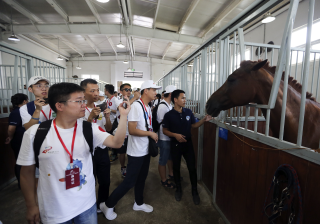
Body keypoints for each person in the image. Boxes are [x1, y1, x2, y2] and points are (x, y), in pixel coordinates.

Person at [17, 82, 130, 224]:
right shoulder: (35, 134)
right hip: (54, 210)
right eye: (78, 101)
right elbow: (26, 173)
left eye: (83, 100)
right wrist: (31, 205)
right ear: (59, 106)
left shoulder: (90, 129)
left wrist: (124, 116)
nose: (84, 104)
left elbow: (116, 143)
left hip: (87, 206)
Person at [100, 80, 161, 220]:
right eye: (154, 90)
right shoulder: (136, 107)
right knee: (130, 181)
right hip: (136, 152)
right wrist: (150, 133)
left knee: (142, 178)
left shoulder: (146, 106)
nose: (156, 93)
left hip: (144, 149)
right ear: (146, 90)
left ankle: (138, 203)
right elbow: (132, 130)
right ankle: (108, 204)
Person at [162, 89, 212, 205]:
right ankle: (179, 189)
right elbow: (165, 130)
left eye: (185, 98)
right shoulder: (169, 115)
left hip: (188, 145)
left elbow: (194, 125)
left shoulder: (189, 112)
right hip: (175, 145)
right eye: (183, 98)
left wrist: (204, 120)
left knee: (192, 168)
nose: (185, 100)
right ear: (175, 100)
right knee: (176, 168)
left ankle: (194, 191)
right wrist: (175, 135)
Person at [80, 79, 112, 213]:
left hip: (102, 149)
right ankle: (89, 206)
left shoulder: (100, 107)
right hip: (87, 151)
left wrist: (108, 117)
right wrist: (91, 117)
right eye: (92, 90)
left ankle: (102, 204)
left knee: (105, 181)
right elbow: (80, 131)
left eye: (97, 90)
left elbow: (108, 128)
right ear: (83, 92)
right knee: (88, 181)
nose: (96, 93)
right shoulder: (79, 109)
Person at [114, 83, 141, 177]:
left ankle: (131, 168)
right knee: (122, 152)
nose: (129, 91)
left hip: (131, 130)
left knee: (131, 151)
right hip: (122, 132)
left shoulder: (135, 101)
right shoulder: (118, 101)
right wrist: (135, 98)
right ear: (121, 91)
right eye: (126, 89)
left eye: (130, 89)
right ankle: (123, 167)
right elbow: (124, 108)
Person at [5, 93, 28, 188]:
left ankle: (24, 183)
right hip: (20, 139)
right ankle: (21, 183)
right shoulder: (18, 112)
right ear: (24, 101)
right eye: (27, 100)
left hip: (21, 139)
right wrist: (10, 137)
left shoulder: (19, 111)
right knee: (21, 162)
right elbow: (11, 129)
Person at [157, 85, 176, 188]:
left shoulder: (168, 105)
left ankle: (171, 174)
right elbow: (163, 121)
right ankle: (164, 181)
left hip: (168, 137)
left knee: (169, 157)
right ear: (171, 95)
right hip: (164, 137)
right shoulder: (162, 106)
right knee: (163, 159)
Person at [105, 84, 120, 163]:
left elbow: (119, 110)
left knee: (113, 138)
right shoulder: (107, 100)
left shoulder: (115, 100)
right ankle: (113, 152)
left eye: (104, 90)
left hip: (114, 121)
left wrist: (110, 110)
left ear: (107, 91)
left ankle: (115, 153)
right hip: (109, 121)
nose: (104, 91)